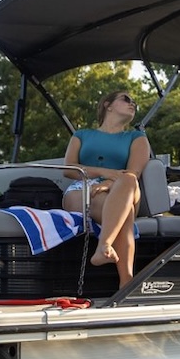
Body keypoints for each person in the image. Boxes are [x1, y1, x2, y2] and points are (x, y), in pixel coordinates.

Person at [61, 90, 151, 288]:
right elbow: (69, 169)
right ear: (107, 105)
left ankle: (104, 245)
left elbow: (133, 173)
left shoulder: (137, 138)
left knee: (127, 180)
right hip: (84, 187)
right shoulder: (81, 135)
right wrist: (106, 173)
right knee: (121, 213)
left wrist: (110, 183)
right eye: (126, 99)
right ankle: (126, 281)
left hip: (123, 188)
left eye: (134, 102)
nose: (132, 104)